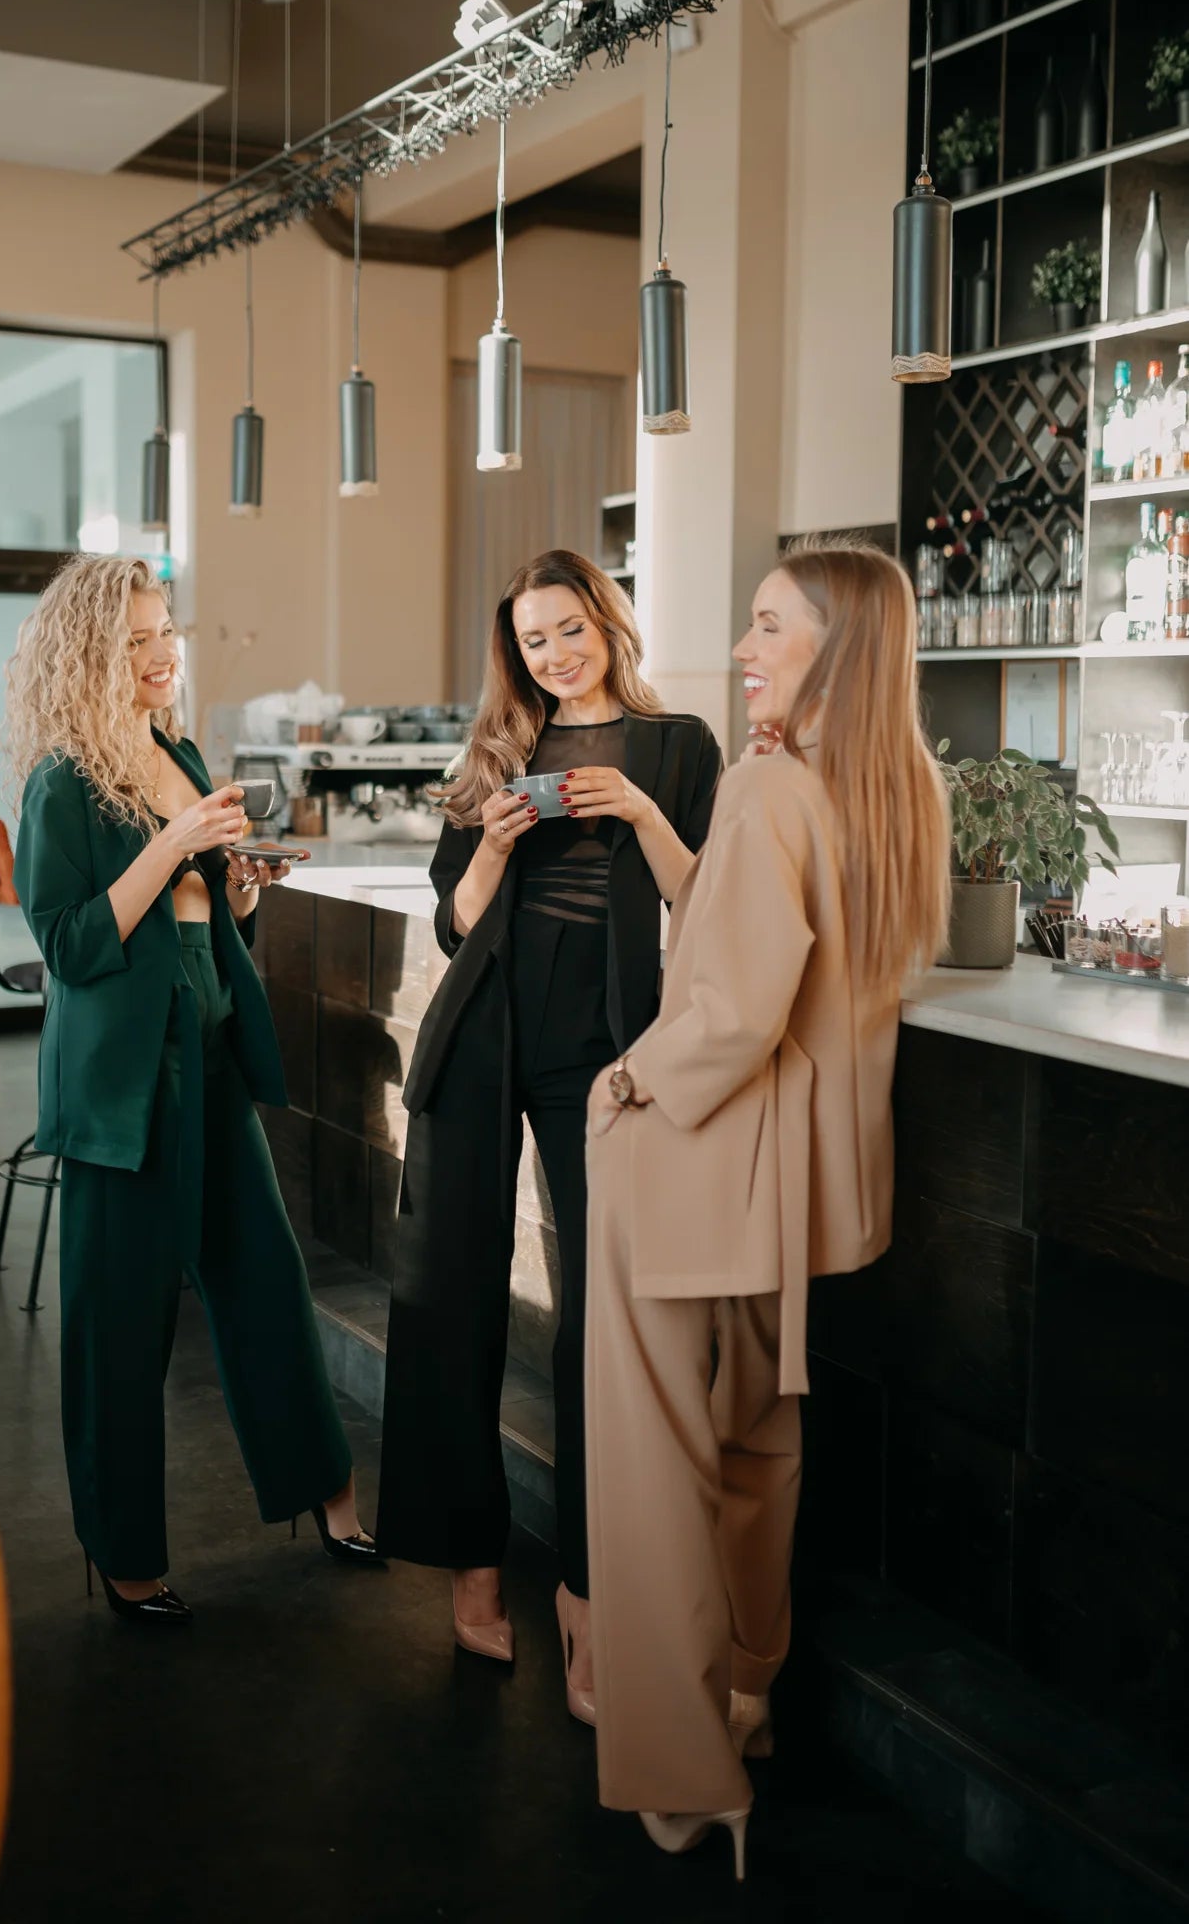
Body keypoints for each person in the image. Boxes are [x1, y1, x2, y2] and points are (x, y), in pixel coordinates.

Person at [584, 540, 950, 1877]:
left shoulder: (770, 783)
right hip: (804, 1198)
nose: (742, 652)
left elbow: (730, 1007)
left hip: (709, 1163)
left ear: (833, 651)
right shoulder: (894, 792)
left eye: (766, 628)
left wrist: (627, 1086)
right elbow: (784, 952)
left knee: (656, 1475)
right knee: (756, 1454)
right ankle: (745, 1701)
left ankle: (685, 1782)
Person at [375, 549, 722, 1721]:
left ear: (606, 621)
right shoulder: (496, 750)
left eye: (569, 630)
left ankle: (587, 1592)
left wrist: (637, 809)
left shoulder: (678, 746)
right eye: (533, 641)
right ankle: (474, 1561)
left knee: (600, 1327)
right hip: (485, 1021)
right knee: (448, 1294)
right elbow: (455, 916)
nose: (554, 654)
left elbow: (705, 903)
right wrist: (495, 837)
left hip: (604, 1042)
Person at [6, 554, 377, 1623]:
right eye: (134, 639)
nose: (161, 650)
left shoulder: (176, 746)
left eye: (166, 628)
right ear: (88, 653)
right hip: (124, 1078)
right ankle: (122, 1551)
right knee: (120, 1323)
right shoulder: (62, 779)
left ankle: (327, 1488)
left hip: (207, 1045)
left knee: (262, 1274)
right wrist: (176, 840)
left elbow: (195, 917)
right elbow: (73, 947)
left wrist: (239, 888)